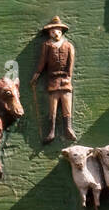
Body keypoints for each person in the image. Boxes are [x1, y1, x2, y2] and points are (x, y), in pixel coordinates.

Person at [31, 15, 77, 144]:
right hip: (52, 80)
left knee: (67, 104)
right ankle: (51, 131)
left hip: (65, 80)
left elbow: (71, 62)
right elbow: (42, 62)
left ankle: (68, 127)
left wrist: (68, 76)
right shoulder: (47, 45)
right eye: (51, 31)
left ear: (60, 32)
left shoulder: (68, 45)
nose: (53, 33)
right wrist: (37, 75)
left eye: (56, 31)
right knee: (53, 106)